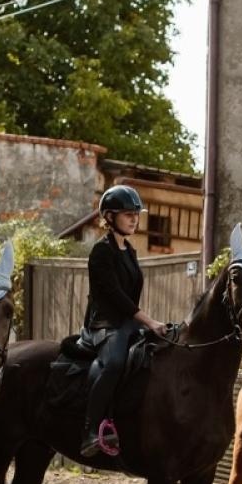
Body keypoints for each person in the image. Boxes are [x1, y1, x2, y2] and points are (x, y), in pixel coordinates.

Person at [79, 184, 169, 459]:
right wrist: (148, 320)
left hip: (129, 323)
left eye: (136, 214)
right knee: (116, 362)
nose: (134, 219)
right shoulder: (101, 252)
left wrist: (150, 326)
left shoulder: (130, 251)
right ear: (109, 217)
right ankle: (90, 431)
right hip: (104, 324)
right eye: (127, 214)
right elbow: (116, 297)